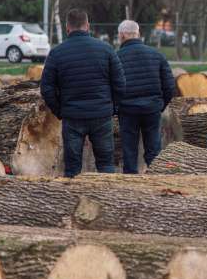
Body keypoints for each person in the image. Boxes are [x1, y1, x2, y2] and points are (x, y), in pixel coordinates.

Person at [40, 9, 126, 177]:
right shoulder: (106, 50)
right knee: (106, 165)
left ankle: (72, 199)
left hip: (72, 116)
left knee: (72, 168)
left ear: (67, 28)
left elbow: (47, 88)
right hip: (101, 114)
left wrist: (60, 110)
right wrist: (113, 107)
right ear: (88, 26)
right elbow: (120, 84)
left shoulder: (57, 53)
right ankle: (108, 199)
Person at [116, 20, 175, 174]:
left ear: (121, 36)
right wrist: (159, 105)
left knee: (129, 152)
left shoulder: (116, 57)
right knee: (153, 152)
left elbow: (111, 87)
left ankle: (130, 187)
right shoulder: (156, 55)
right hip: (151, 109)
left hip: (127, 110)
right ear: (138, 34)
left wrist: (117, 107)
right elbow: (169, 86)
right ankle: (157, 183)